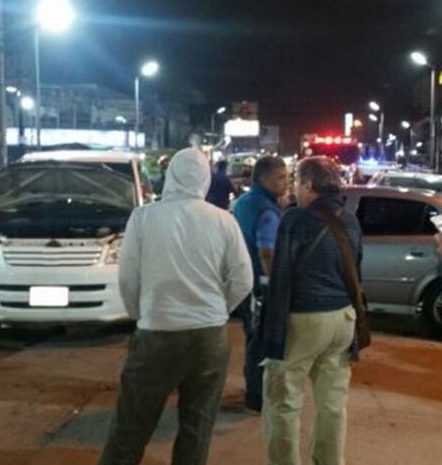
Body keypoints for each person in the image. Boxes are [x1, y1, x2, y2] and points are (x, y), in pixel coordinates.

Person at [99, 148, 253, 465]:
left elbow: (128, 278)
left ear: (170, 176)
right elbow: (243, 279)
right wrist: (217, 309)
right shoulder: (224, 220)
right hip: (209, 337)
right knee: (196, 429)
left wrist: (140, 313)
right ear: (205, 179)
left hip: (157, 332)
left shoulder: (144, 217)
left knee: (131, 426)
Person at [261, 156, 362, 465]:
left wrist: (271, 334)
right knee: (332, 404)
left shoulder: (295, 220)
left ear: (308, 185)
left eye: (296, 183)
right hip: (343, 319)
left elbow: (281, 277)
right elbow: (356, 273)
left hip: (304, 320)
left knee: (283, 402)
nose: (293, 190)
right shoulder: (350, 220)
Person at [232, 156, 288, 413]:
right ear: (263, 178)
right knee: (262, 341)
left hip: (242, 281)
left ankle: (252, 392)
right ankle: (256, 397)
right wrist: (276, 285)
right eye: (281, 178)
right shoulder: (267, 210)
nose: (286, 183)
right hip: (261, 284)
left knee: (252, 338)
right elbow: (268, 253)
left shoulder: (243, 202)